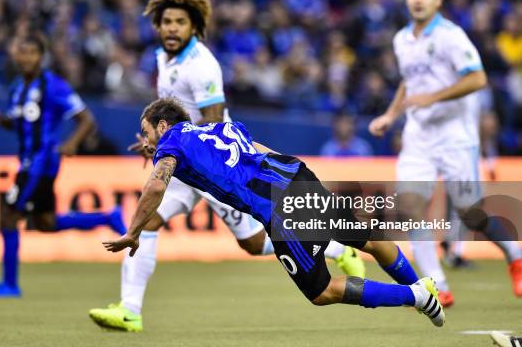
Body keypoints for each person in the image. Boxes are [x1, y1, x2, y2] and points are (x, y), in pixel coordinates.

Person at [88, 0, 364, 332]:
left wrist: (182, 159)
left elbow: (214, 123)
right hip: (183, 164)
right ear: (157, 25)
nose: (172, 28)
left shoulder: (201, 65)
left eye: (180, 22)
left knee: (251, 242)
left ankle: (336, 249)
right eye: (167, 22)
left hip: (218, 168)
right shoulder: (164, 58)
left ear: (194, 27)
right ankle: (130, 310)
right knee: (149, 220)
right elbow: (172, 120)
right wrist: (157, 144)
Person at [100, 98, 446, 328]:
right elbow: (260, 150)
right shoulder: (219, 126)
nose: (146, 142)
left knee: (321, 291)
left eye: (146, 132)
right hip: (295, 175)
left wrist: (133, 232)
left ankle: (415, 295)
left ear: (163, 125)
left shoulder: (171, 141)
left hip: (280, 211)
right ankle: (418, 283)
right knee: (367, 239)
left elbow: (156, 186)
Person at [368, 0, 522, 307]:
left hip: (456, 136)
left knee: (470, 213)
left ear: (438, 0)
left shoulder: (453, 36)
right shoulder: (401, 40)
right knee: (409, 208)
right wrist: (391, 115)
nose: (418, 0)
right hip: (419, 137)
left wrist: (433, 97)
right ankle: (438, 284)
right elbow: (409, 82)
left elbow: (478, 78)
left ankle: (514, 253)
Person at [0, 34, 126, 298]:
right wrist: (1, 120)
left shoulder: (53, 86)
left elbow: (86, 119)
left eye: (31, 52)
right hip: (27, 159)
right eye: (21, 52)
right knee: (45, 222)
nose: (25, 57)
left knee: (9, 217)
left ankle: (9, 285)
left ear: (41, 56)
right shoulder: (16, 88)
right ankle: (107, 217)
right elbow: (20, 123)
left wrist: (71, 144)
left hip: (41, 161)